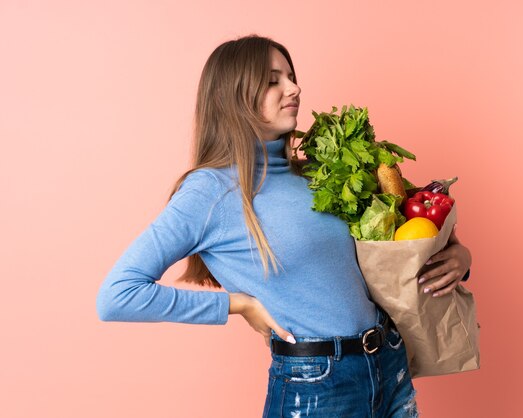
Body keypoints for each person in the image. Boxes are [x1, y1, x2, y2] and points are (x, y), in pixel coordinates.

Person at [96, 34, 472, 418]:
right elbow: (116, 295)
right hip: (317, 386)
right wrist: (238, 304)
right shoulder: (210, 191)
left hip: (389, 365)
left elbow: (398, 237)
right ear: (234, 94)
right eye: (273, 79)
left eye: (291, 76)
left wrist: (459, 254)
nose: (294, 88)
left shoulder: (320, 174)